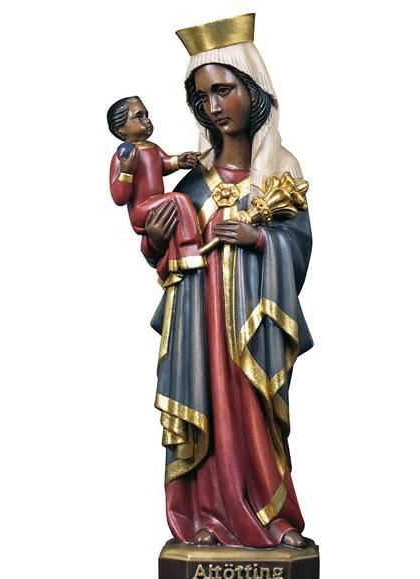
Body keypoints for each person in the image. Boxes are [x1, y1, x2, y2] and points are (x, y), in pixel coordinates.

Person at [143, 14, 314, 548]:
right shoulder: (193, 181)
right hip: (199, 327)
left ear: (253, 91)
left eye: (224, 90)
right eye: (203, 98)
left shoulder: (280, 172)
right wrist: (156, 238)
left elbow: (299, 246)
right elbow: (164, 257)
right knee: (207, 408)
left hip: (253, 325)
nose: (214, 106)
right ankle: (206, 517)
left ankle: (272, 516)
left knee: (254, 414)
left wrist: (259, 239)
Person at [107, 96, 204, 281]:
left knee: (178, 205)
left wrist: (179, 161)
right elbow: (119, 198)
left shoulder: (152, 147)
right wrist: (126, 171)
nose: (147, 120)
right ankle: (190, 249)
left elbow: (163, 164)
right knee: (180, 199)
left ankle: (176, 256)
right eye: (139, 116)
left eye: (146, 115)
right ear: (120, 129)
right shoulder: (123, 156)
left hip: (157, 203)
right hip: (142, 210)